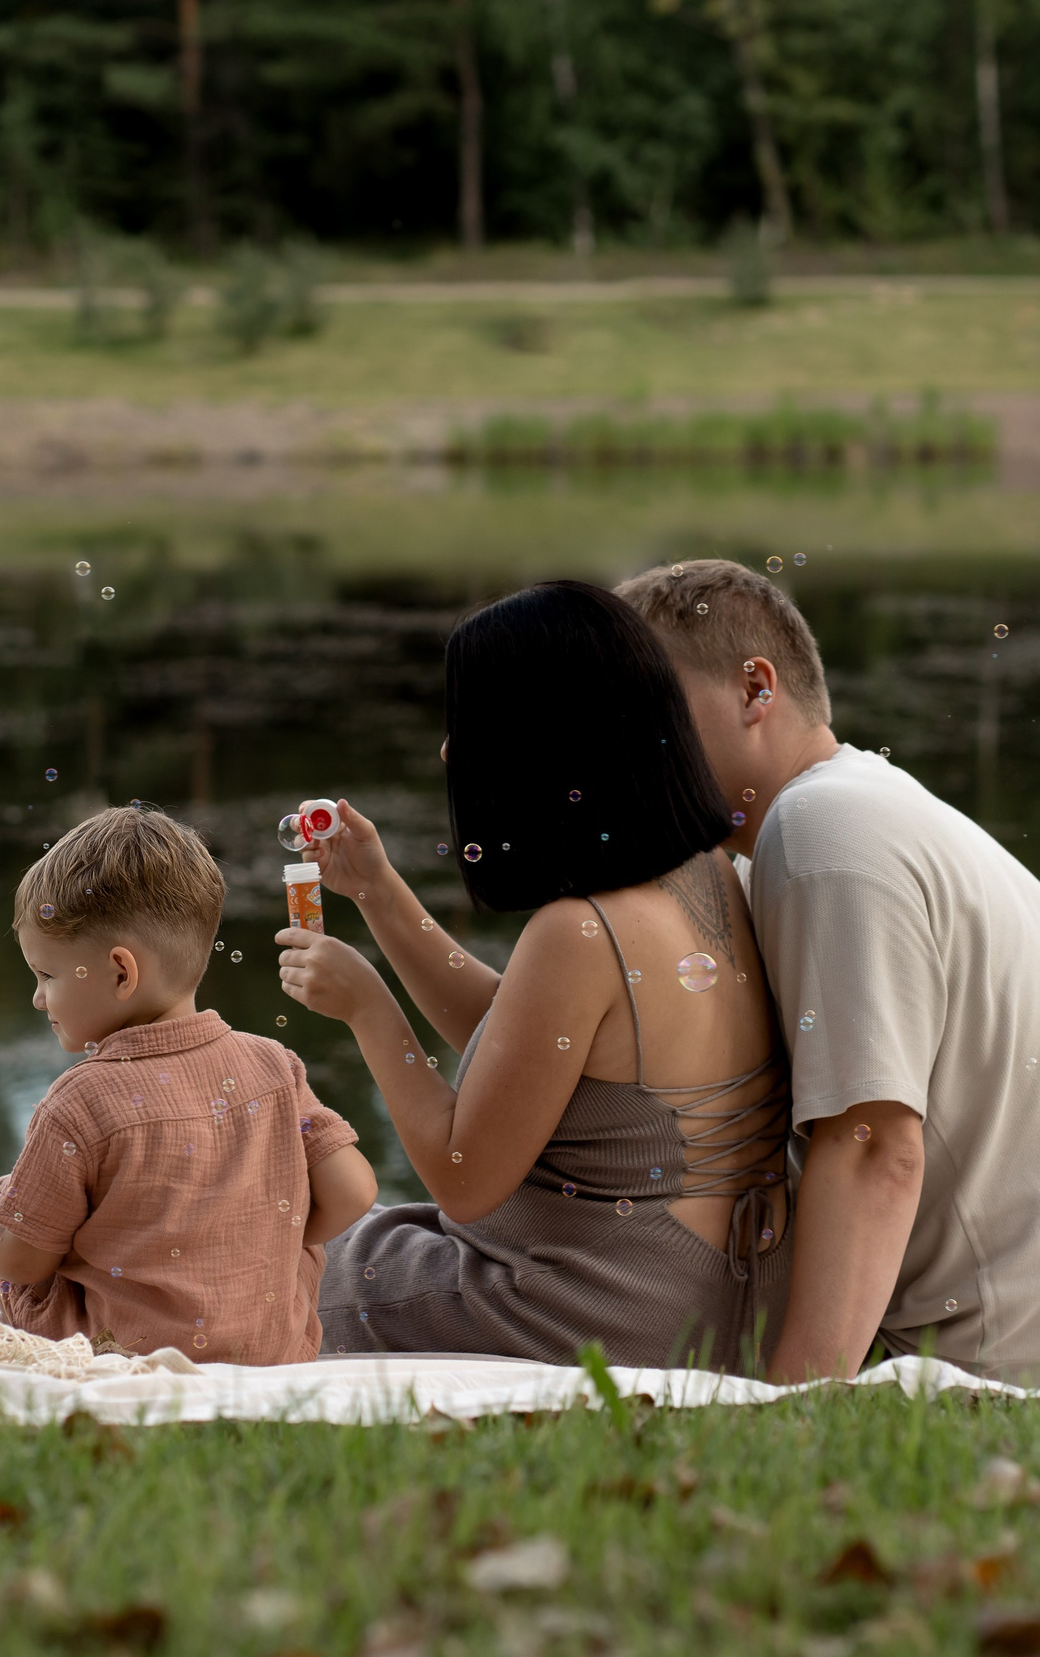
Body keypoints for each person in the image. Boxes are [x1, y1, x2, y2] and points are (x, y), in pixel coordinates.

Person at [614, 559, 1040, 1386]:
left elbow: (875, 1150)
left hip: (1015, 1361)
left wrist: (788, 1411)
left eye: (641, 713)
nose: (620, 749)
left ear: (755, 690)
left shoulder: (821, 830)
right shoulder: (861, 805)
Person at [276, 582, 791, 1373]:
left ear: (537, 740)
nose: (451, 752)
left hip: (576, 1311)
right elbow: (526, 1046)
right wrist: (378, 890)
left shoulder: (576, 933)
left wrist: (368, 1008)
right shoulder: (701, 871)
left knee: (268, 1252)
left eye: (468, 723)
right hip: (695, 1298)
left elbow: (463, 1178)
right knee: (333, 1228)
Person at [0, 804, 380, 1363]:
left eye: (47, 975)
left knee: (13, 1208)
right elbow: (356, 1192)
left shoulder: (80, 1100)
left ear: (122, 972)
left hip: (123, 1359)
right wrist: (263, 1241)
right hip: (270, 1349)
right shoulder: (274, 1064)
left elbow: (22, 1260)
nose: (38, 998)